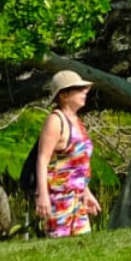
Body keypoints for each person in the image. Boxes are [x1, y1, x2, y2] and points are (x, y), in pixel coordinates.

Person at [35, 71, 102, 238]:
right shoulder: (55, 121)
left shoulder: (76, 120)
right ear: (64, 95)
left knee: (83, 247)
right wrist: (43, 196)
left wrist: (86, 193)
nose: (84, 92)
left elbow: (76, 165)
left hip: (78, 197)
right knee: (58, 246)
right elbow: (43, 159)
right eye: (78, 89)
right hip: (58, 197)